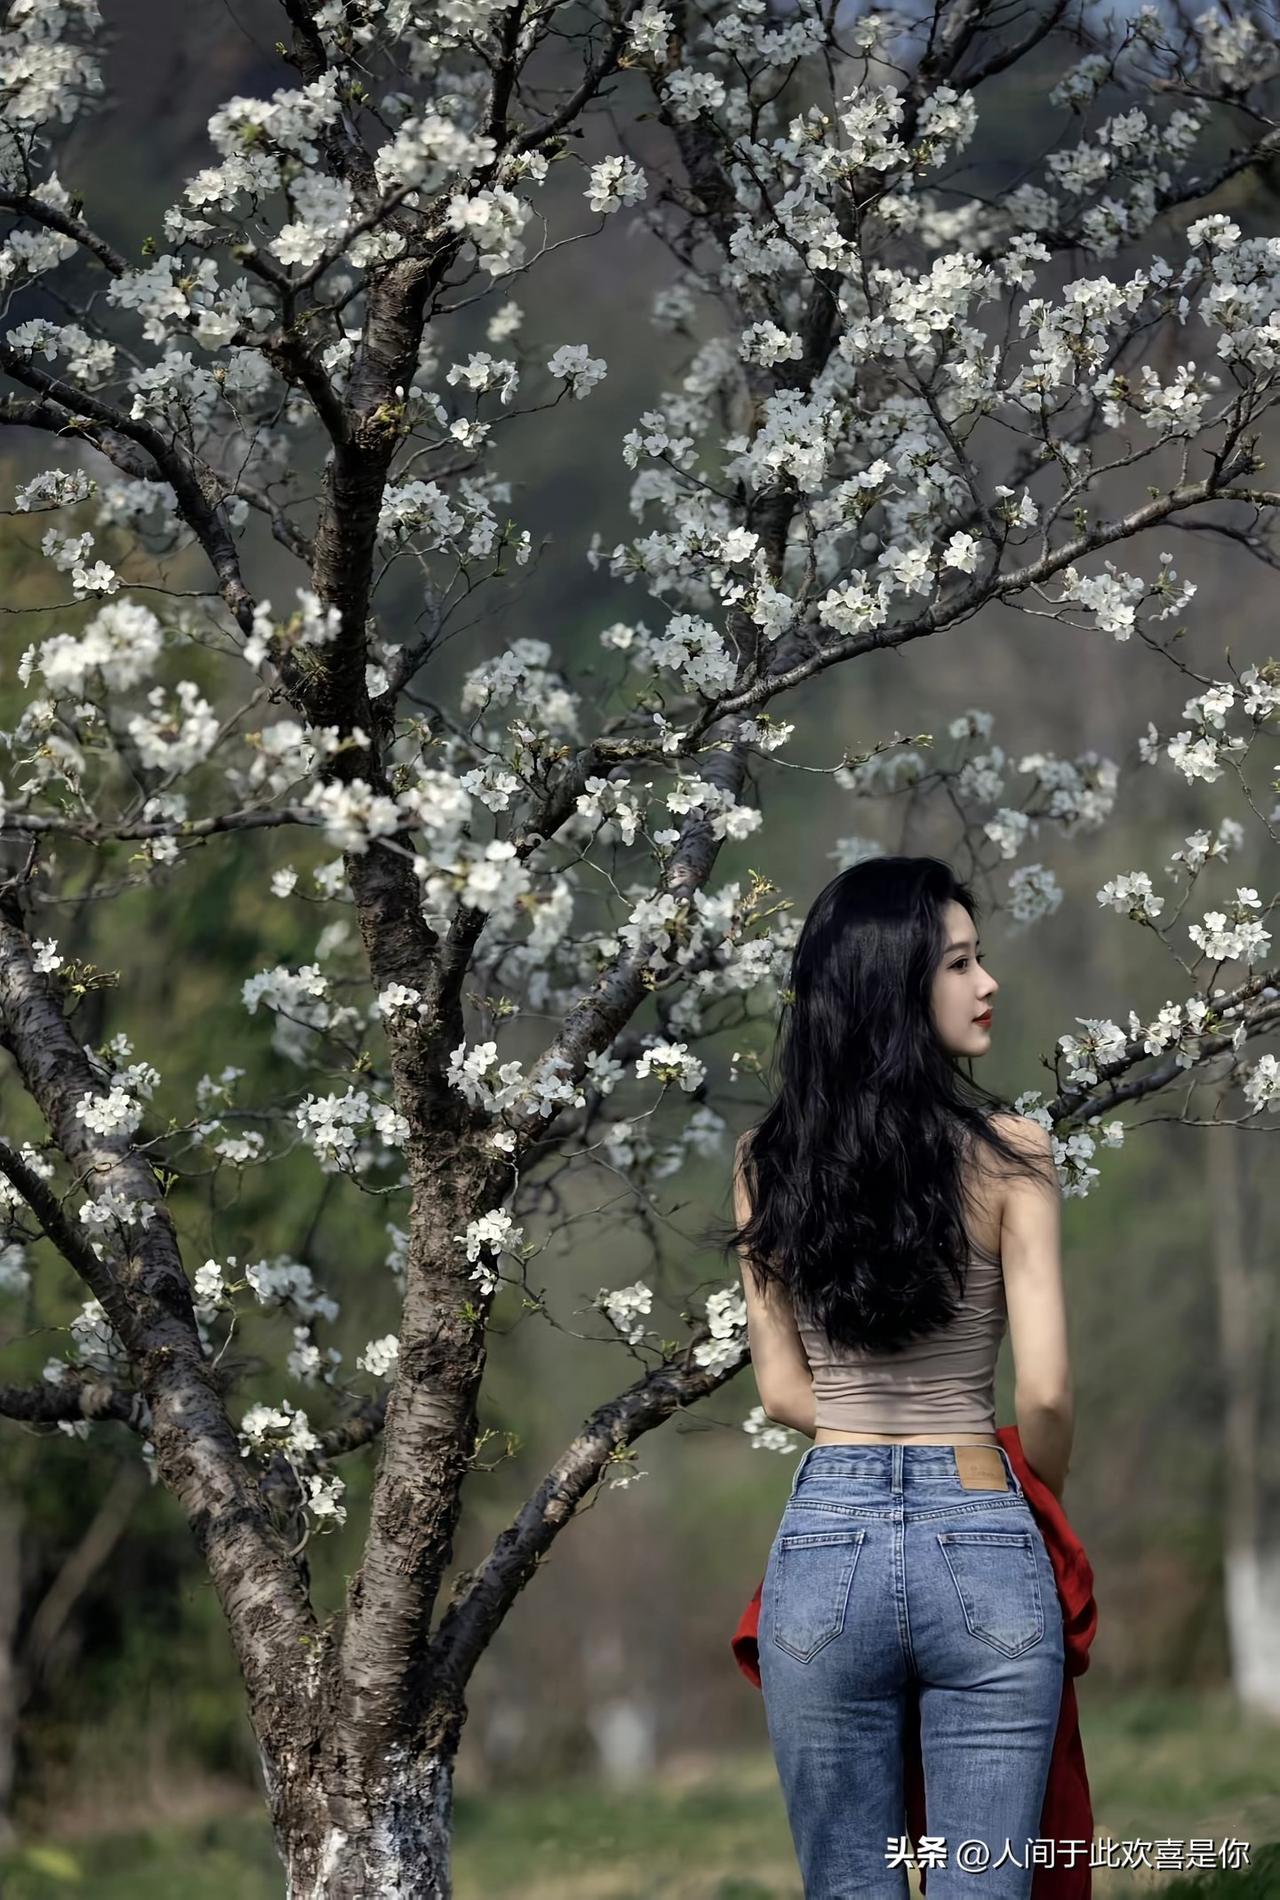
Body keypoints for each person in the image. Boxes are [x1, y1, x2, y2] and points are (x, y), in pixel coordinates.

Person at [725, 855, 1074, 1900]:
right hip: (981, 1521)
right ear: (894, 986)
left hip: (824, 1539)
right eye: (958, 963)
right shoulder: (1012, 1154)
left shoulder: (765, 1160)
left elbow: (782, 1392)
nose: (987, 983)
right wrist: (1037, 1504)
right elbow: (1046, 1394)